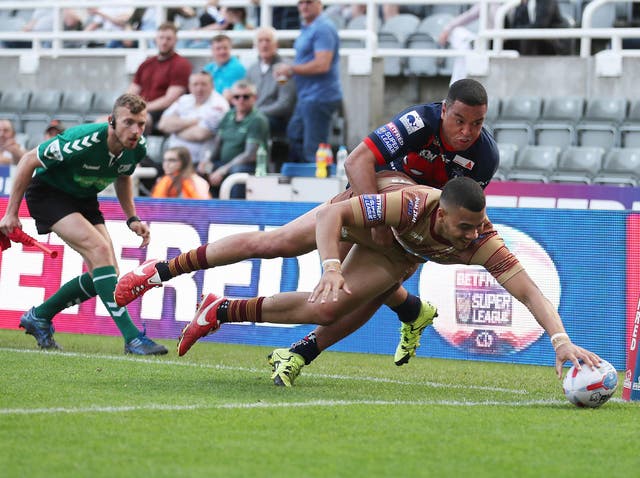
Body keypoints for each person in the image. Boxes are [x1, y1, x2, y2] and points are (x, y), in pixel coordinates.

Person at [115, 79, 499, 377]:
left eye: (477, 124)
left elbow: (456, 215)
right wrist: (374, 214)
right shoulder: (421, 121)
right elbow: (357, 161)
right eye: (460, 120)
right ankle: (160, 270)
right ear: (444, 109)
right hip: (371, 206)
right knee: (277, 243)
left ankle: (285, 343)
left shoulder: (485, 156)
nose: (467, 132)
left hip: (411, 235)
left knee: (335, 304)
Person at [175, 176, 601, 386]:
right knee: (281, 243)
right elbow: (332, 215)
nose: (473, 233)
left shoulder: (483, 241)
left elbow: (527, 289)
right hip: (366, 216)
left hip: (398, 253)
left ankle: (224, 310)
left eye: (478, 225)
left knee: (326, 308)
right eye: (465, 226)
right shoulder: (414, 204)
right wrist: (331, 266)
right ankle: (168, 270)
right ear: (442, 212)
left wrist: (560, 339)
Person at [0, 93, 167, 355]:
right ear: (112, 121)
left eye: (141, 124)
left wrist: (131, 217)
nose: (136, 130)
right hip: (49, 195)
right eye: (129, 122)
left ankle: (39, 316)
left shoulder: (138, 147)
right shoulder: (82, 139)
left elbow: (123, 176)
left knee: (106, 271)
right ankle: (132, 338)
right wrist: (11, 213)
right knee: (100, 253)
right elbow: (28, 160)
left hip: (84, 197)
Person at [273, 0, 342, 163]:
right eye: (301, 3)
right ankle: (308, 180)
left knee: (314, 150)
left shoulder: (323, 28)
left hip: (319, 96)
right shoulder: (310, 27)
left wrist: (291, 69)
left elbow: (322, 64)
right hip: (308, 96)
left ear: (319, 4)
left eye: (308, 2)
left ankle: (319, 184)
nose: (304, 6)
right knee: (295, 135)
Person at [196, 80, 270, 198]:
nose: (241, 100)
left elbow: (249, 155)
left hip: (250, 167)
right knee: (201, 170)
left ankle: (235, 211)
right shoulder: (228, 115)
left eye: (246, 97)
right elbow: (217, 144)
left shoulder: (257, 120)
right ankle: (208, 208)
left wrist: (223, 170)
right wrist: (207, 161)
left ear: (254, 98)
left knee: (237, 172)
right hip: (225, 164)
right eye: (237, 96)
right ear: (232, 99)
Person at [127, 22, 193, 135]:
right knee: (102, 123)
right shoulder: (146, 64)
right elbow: (132, 91)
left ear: (175, 40)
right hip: (141, 110)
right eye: (161, 38)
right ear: (155, 39)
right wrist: (126, 106)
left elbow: (169, 100)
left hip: (161, 112)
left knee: (135, 122)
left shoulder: (181, 64)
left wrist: (141, 108)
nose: (164, 42)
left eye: (168, 38)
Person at [157, 71, 229, 166]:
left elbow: (200, 134)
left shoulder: (219, 104)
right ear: (189, 86)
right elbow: (162, 124)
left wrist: (174, 129)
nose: (199, 88)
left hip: (198, 163)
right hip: (171, 160)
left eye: (204, 84)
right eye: (195, 84)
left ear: (212, 85)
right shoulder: (184, 100)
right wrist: (193, 122)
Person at [245, 26, 297, 139]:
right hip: (255, 115)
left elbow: (284, 105)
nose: (264, 45)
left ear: (276, 45)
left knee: (253, 123)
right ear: (255, 46)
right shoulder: (252, 69)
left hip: (277, 119)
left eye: (268, 40)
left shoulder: (284, 68)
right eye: (260, 41)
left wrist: (255, 113)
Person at [438, 2, 502, 84]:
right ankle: (470, 43)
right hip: (489, 42)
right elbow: (469, 15)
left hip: (506, 41)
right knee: (459, 38)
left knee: (464, 49)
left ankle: (456, 86)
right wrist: (447, 29)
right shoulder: (487, 2)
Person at [202, 34, 247, 102]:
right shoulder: (208, 68)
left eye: (225, 48)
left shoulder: (236, 68)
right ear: (212, 50)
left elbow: (226, 97)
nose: (222, 52)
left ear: (230, 48)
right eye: (218, 49)